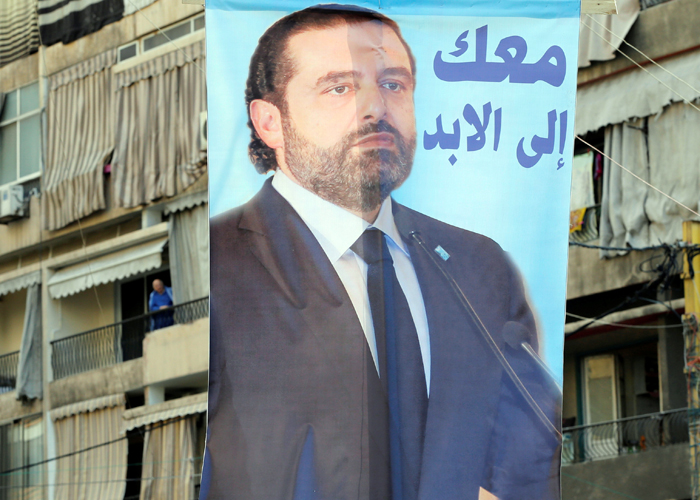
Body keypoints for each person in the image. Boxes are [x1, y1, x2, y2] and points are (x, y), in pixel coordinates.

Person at [202, 5, 561, 500]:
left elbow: (532, 452)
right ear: (270, 122)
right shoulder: (220, 268)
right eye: (339, 88)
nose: (375, 108)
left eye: (393, 84)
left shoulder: (479, 267)